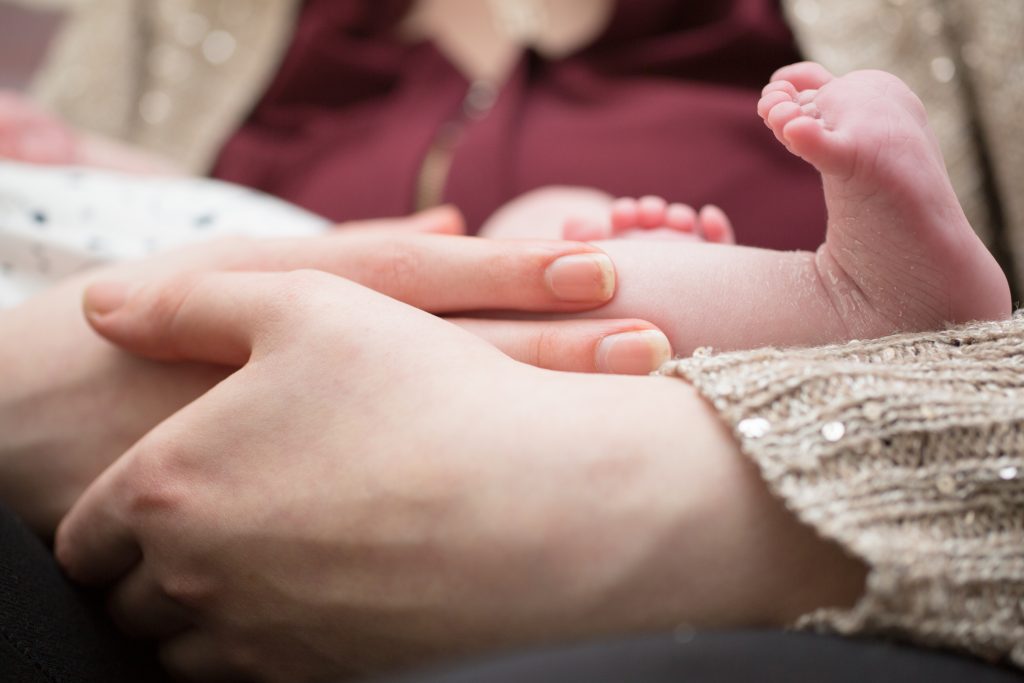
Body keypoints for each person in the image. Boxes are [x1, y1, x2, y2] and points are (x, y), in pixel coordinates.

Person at [46, 62, 1022, 682]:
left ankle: (854, 305)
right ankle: (846, 301)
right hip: (177, 437)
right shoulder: (151, 39)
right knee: (522, 251)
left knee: (531, 243)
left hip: (537, 396)